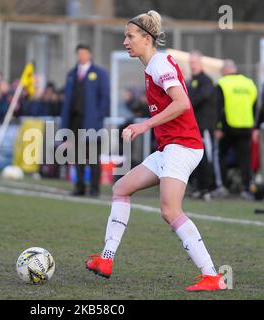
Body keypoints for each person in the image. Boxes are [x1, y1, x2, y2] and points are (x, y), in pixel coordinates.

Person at [85, 10, 227, 292]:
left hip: (183, 145)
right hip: (169, 147)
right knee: (121, 187)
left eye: (130, 36)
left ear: (147, 38)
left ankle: (212, 276)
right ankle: (107, 259)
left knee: (169, 210)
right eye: (125, 36)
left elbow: (182, 103)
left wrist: (143, 125)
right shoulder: (152, 65)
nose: (125, 41)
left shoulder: (159, 63)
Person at [61, 44, 110, 197]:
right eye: (79, 53)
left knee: (93, 156)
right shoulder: (72, 74)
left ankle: (95, 188)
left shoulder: (99, 73)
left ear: (90, 54)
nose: (82, 56)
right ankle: (80, 186)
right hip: (75, 121)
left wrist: (98, 117)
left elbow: (105, 97)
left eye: (84, 53)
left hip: (91, 122)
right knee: (77, 156)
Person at [213, 60, 257, 200]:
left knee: (221, 155)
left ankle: (224, 186)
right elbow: (255, 106)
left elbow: (218, 107)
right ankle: (246, 188)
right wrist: (254, 126)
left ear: (225, 70)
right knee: (245, 159)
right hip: (246, 126)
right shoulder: (249, 83)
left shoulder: (222, 83)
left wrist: (218, 127)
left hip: (228, 127)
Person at [187, 51, 216, 200]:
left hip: (205, 126)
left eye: (194, 62)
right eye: (190, 62)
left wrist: (185, 103)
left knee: (207, 156)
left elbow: (199, 99)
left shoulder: (206, 81)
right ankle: (199, 186)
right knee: (196, 157)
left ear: (200, 63)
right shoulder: (191, 81)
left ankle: (209, 188)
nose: (192, 65)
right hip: (194, 127)